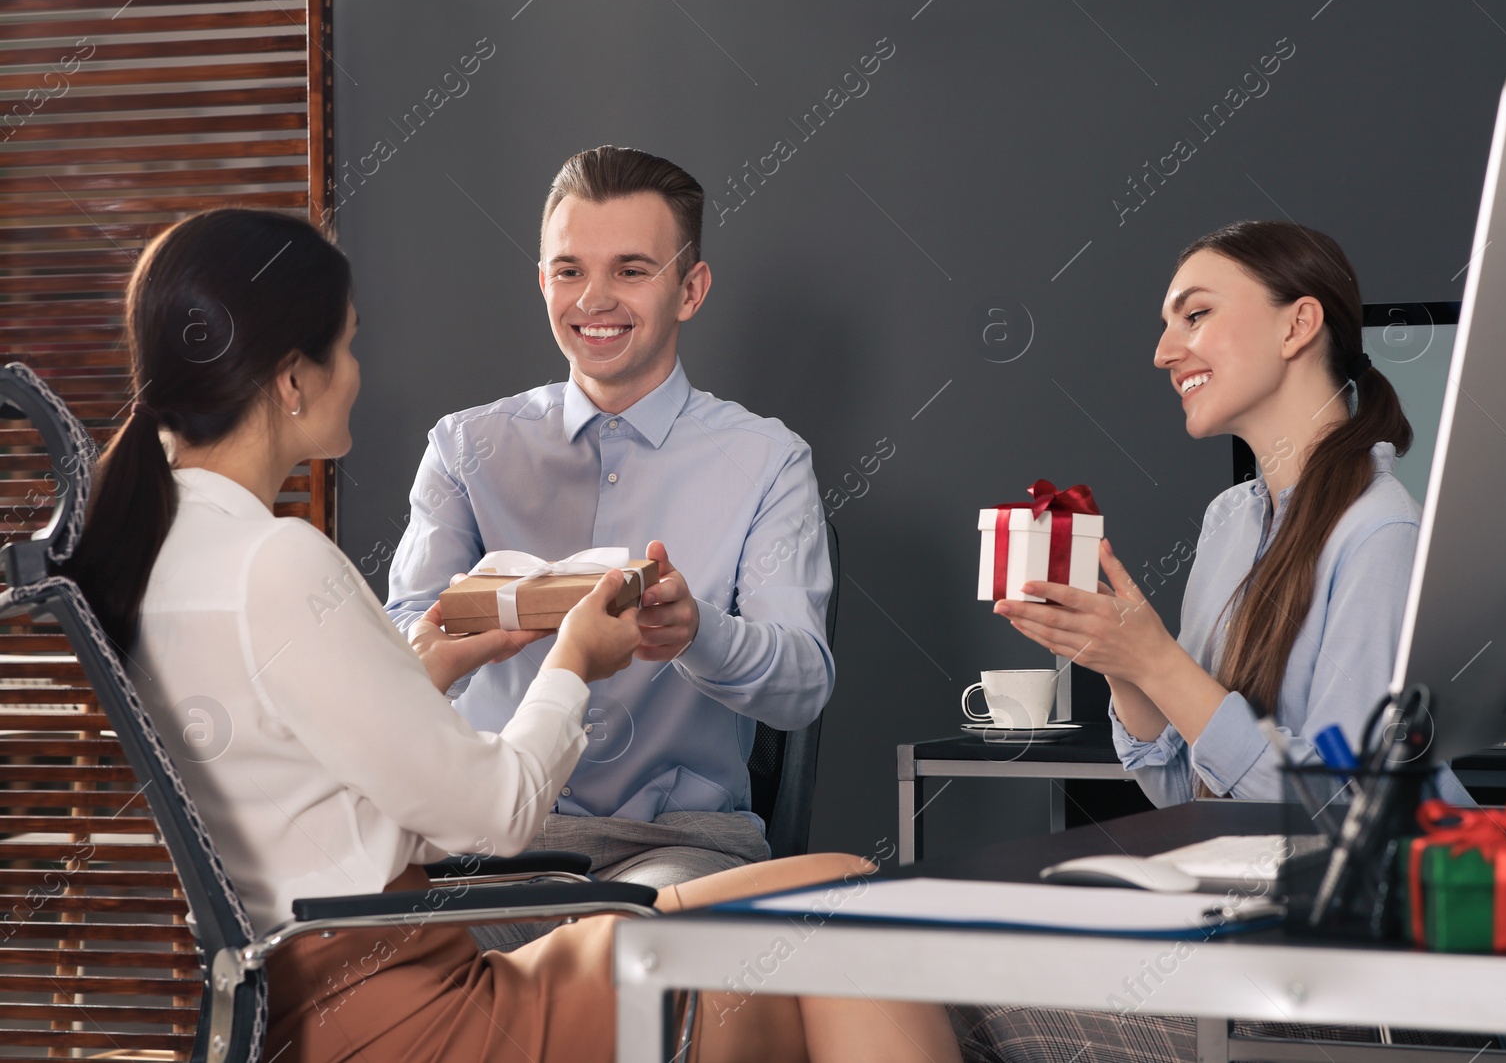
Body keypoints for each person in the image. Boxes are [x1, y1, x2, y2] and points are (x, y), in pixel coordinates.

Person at [68, 208, 959, 1063]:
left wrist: (421, 668)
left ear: (690, 287)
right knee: (847, 899)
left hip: (304, 1002)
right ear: (294, 379)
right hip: (414, 1015)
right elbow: (494, 812)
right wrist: (573, 658)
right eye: (347, 344)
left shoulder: (162, 551)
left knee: (808, 953)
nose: (359, 370)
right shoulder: (281, 559)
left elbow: (302, 770)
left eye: (631, 269)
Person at [953, 219, 1478, 1060]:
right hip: (1250, 926)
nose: (1165, 351)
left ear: (1297, 324)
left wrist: (1158, 658)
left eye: (1192, 315)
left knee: (942, 995)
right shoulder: (1231, 521)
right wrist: (1118, 664)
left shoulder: (1382, 533)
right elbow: (1192, 793)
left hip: (1362, 964)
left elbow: (1344, 811)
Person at [384, 146, 833, 906]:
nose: (595, 298)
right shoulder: (465, 449)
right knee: (385, 965)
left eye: (631, 270)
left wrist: (696, 632)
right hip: (486, 840)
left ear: (690, 289)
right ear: (542, 283)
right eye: (568, 271)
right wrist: (456, 638)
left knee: (624, 947)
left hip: (676, 849)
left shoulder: (768, 461)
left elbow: (802, 684)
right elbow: (394, 659)